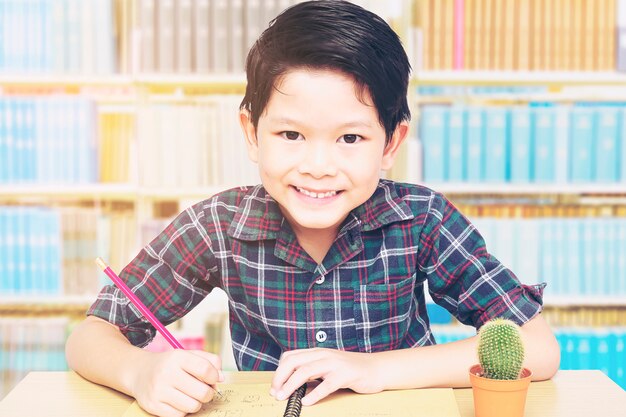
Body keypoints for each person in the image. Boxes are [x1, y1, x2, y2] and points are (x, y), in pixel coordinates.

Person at [65, 1, 561, 416]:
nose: (318, 167)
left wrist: (374, 370)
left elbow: (537, 347)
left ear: (391, 143)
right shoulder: (218, 224)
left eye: (350, 137)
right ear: (250, 134)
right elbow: (91, 337)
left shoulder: (422, 218)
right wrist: (141, 371)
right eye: (290, 135)